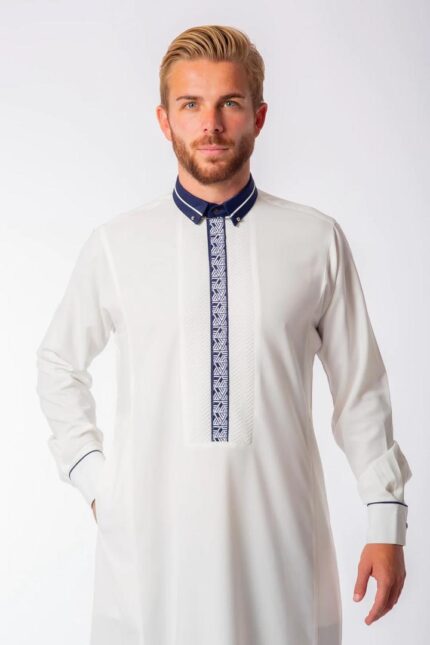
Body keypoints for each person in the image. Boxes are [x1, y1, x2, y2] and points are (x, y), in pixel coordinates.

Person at [36, 24, 412, 645]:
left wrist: (385, 518)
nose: (210, 124)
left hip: (281, 552)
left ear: (259, 117)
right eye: (191, 104)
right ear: (164, 121)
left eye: (229, 103)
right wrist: (97, 481)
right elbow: (58, 363)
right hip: (151, 558)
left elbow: (361, 389)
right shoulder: (117, 245)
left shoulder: (316, 240)